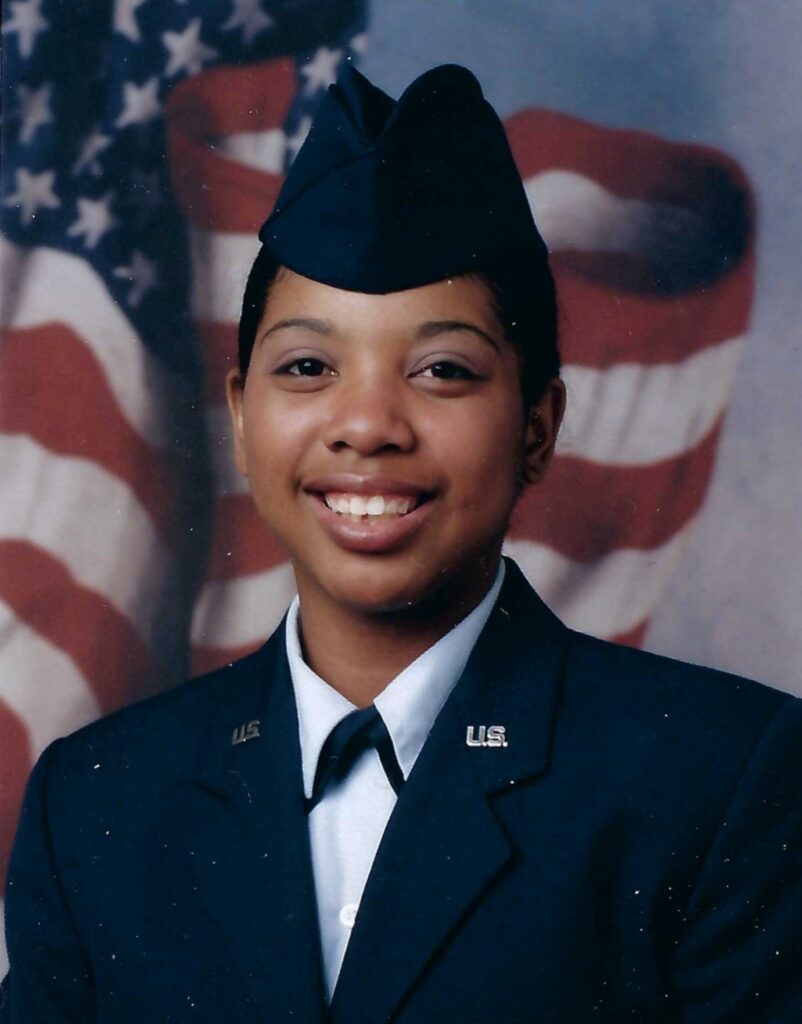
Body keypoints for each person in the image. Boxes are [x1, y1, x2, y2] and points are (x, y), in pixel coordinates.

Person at [2, 63, 802, 1024]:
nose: (367, 424)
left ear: (539, 427)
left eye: (442, 370)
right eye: (307, 366)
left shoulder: (718, 780)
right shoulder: (97, 803)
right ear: (244, 422)